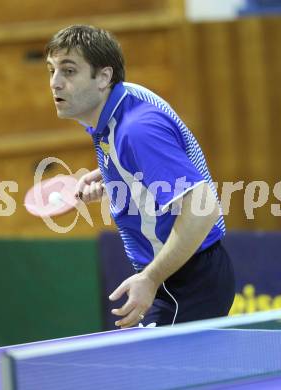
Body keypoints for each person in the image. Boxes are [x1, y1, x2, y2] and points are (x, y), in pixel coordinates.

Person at [45, 25, 235, 329]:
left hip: (186, 282)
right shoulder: (120, 104)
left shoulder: (137, 130)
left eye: (69, 71)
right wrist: (113, 179)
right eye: (52, 70)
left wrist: (150, 278)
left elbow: (204, 209)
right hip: (180, 274)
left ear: (103, 77)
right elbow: (150, 162)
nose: (55, 83)